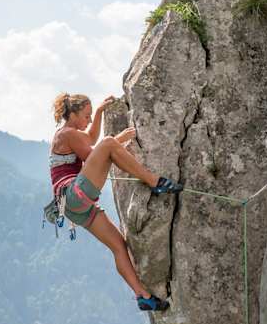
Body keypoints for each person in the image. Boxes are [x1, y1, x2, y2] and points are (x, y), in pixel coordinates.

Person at [49, 92, 182, 312]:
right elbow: (93, 152)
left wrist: (100, 112)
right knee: (109, 143)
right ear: (73, 114)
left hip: (74, 207)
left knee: (119, 245)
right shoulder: (67, 134)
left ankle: (143, 296)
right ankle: (154, 181)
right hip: (73, 194)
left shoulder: (69, 134)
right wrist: (118, 140)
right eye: (87, 115)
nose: (89, 121)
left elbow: (90, 139)